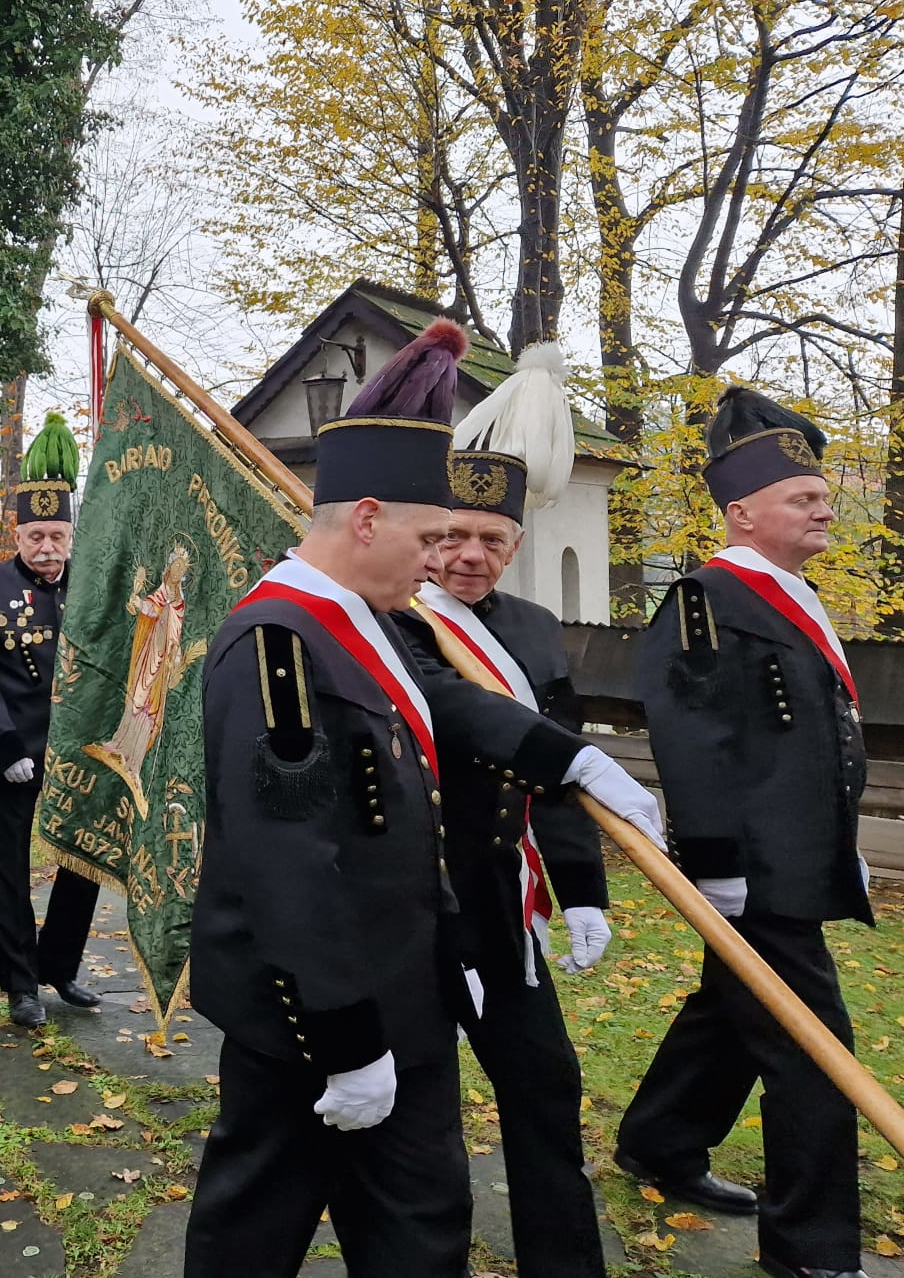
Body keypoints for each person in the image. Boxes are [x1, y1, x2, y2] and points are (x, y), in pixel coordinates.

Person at [184, 323, 665, 1278]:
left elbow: (440, 700)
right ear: (365, 519)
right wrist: (347, 1039)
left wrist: (566, 759)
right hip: (315, 1019)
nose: (440, 561)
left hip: (408, 993)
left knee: (421, 1229)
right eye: (428, 536)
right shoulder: (277, 642)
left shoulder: (365, 627)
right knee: (256, 1227)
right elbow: (290, 866)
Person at [614, 387, 871, 1278]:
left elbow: (812, 739)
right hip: (755, 872)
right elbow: (693, 744)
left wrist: (844, 849)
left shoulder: (792, 595)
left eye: (822, 494)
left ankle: (658, 1141)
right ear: (742, 512)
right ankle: (811, 1247)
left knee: (731, 1013)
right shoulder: (705, 599)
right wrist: (716, 870)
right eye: (804, 498)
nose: (825, 506)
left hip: (798, 859)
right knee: (813, 1047)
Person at [393, 345, 613, 1278]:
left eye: (491, 540)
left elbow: (553, 772)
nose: (469, 556)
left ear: (516, 546)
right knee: (419, 1117)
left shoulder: (530, 629)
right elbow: (453, 707)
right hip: (412, 905)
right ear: (422, 536)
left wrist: (584, 888)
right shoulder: (389, 617)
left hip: (503, 903)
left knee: (545, 1090)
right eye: (450, 536)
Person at [0, 411, 101, 1028]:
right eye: (35, 536)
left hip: (80, 749)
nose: (46, 548)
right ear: (18, 536)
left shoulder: (94, 586)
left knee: (83, 859)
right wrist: (6, 743)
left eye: (56, 536)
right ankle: (19, 982)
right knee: (10, 866)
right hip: (16, 749)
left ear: (71, 536)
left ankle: (59, 966)